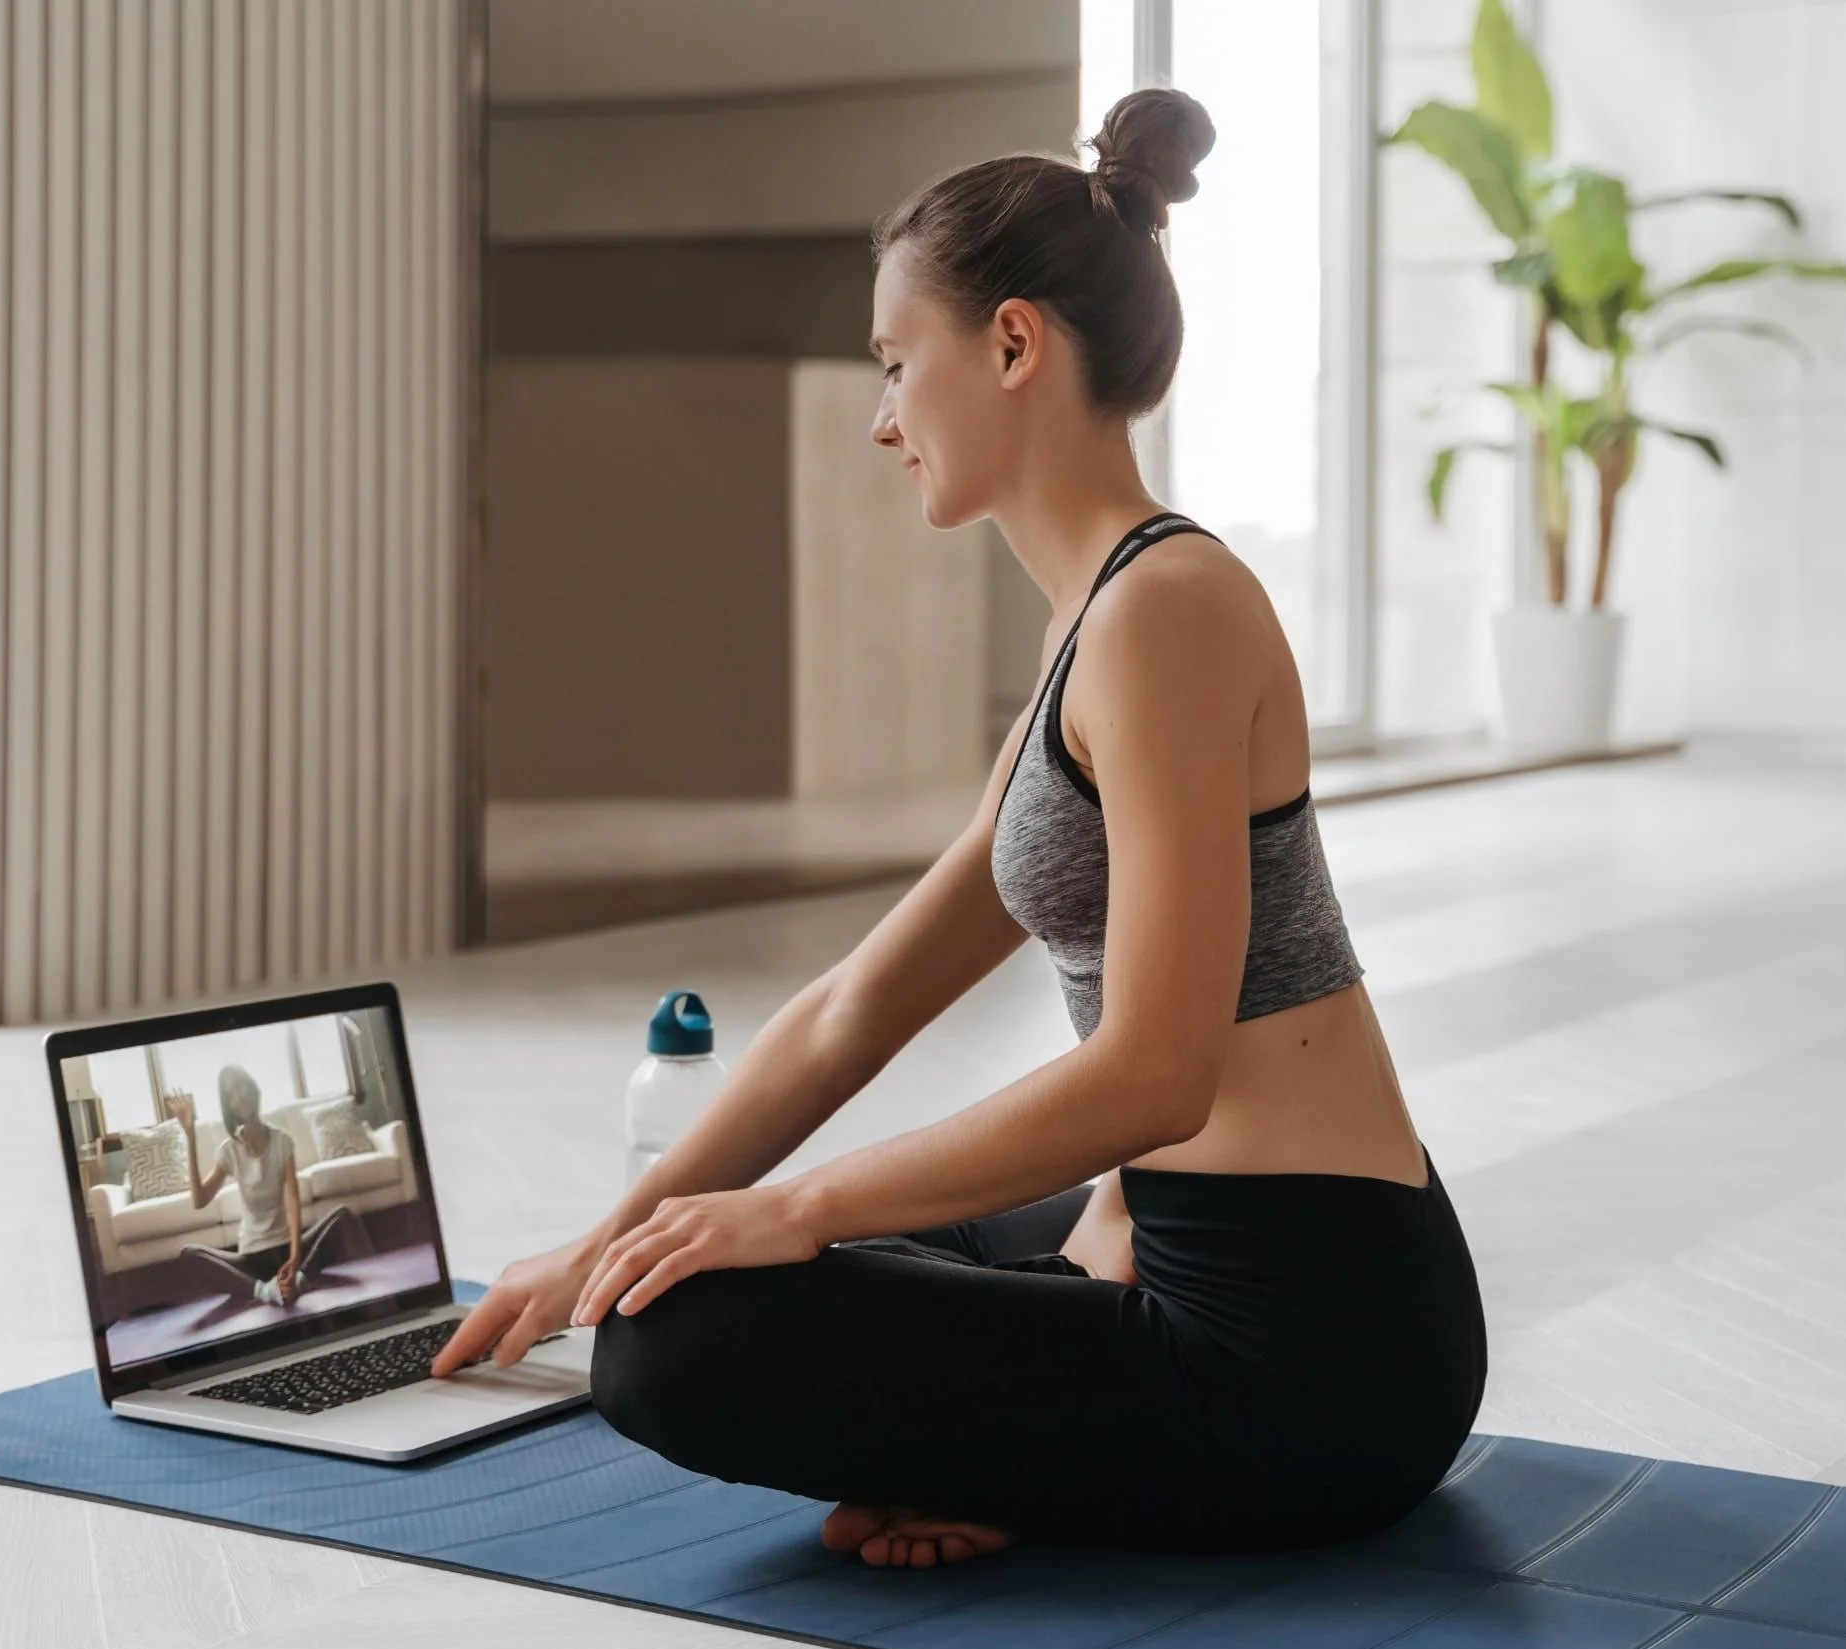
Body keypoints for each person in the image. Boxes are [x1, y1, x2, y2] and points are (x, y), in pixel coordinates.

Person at [431, 88, 1486, 1569]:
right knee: (684, 1270)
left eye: (893, 360)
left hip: (1311, 1343)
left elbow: (1158, 1071)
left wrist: (789, 1209)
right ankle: (1023, 1445)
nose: (880, 417)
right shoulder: (1099, 620)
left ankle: (1037, 1455)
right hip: (1188, 1242)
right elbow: (859, 1003)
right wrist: (609, 1237)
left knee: (674, 1345)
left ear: (1009, 344)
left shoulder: (1168, 613)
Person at [172, 1065, 356, 1308]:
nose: (239, 1096)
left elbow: (292, 1199)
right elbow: (199, 1200)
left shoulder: (283, 1142)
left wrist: (295, 1257)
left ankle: (298, 1280)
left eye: (242, 1087)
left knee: (342, 1217)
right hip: (251, 1259)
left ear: (252, 1088)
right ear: (229, 1106)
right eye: (231, 1095)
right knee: (190, 1255)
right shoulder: (229, 1151)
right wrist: (190, 1134)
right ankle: (265, 1291)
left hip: (286, 1251)